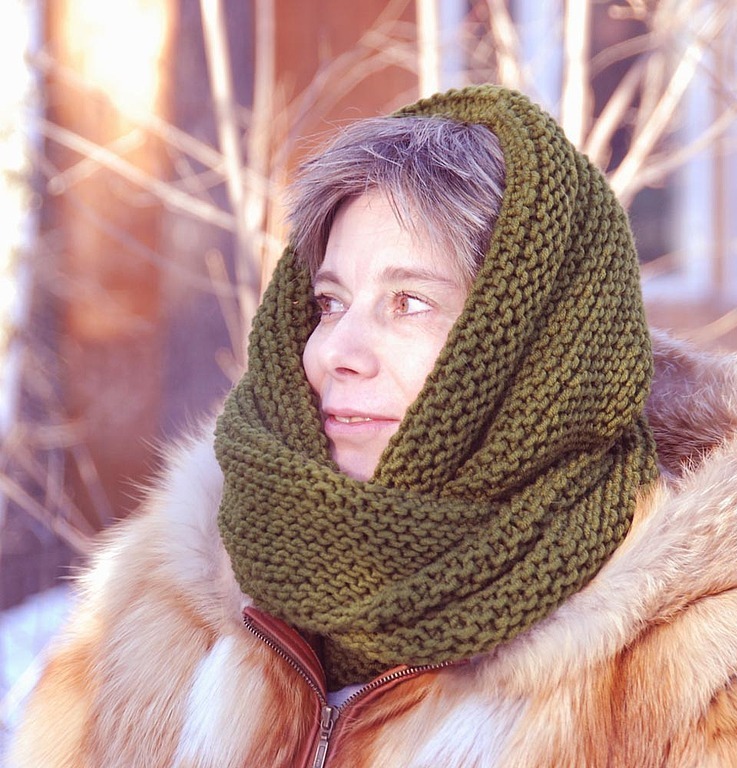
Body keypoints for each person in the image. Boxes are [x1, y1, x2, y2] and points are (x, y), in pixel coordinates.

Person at [11, 84, 737, 767]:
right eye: (330, 303)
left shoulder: (693, 667)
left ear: (536, 347)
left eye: (408, 302)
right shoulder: (160, 601)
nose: (335, 353)